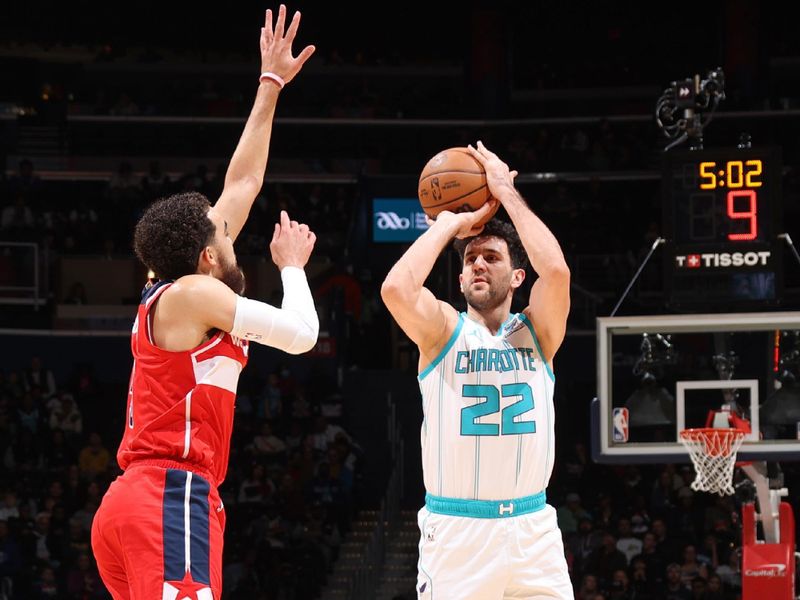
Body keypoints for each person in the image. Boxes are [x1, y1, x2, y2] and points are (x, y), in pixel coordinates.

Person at [90, 6, 317, 599]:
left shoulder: (167, 285)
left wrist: (270, 85)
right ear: (208, 257)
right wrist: (292, 269)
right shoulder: (195, 293)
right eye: (223, 236)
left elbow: (242, 185)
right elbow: (301, 334)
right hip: (171, 493)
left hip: (131, 502)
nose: (229, 234)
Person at [381, 141, 572, 598]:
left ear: (518, 277)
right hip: (458, 530)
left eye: (492, 257)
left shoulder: (539, 331)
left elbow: (558, 272)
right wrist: (449, 224)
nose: (479, 264)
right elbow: (396, 289)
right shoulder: (443, 330)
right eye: (470, 259)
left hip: (533, 530)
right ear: (461, 278)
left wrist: (505, 191)